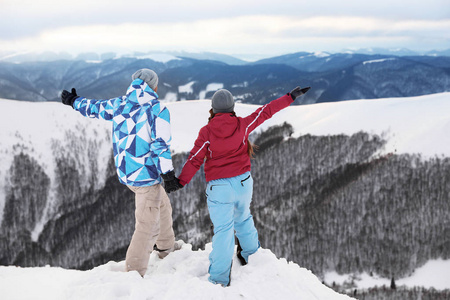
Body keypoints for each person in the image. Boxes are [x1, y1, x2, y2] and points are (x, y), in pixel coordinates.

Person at [171, 86, 310, 286]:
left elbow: (194, 159)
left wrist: (180, 181)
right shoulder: (242, 124)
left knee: (224, 231)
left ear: (213, 109)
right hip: (244, 183)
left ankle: (219, 278)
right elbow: (266, 111)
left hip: (220, 188)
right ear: (232, 107)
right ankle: (251, 256)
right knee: (244, 218)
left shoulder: (207, 132)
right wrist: (290, 97)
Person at [60, 68, 183, 277]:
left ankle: (166, 248)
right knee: (146, 224)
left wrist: (74, 100)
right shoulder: (157, 109)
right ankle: (133, 273)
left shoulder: (121, 103)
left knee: (162, 205)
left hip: (127, 173)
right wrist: (168, 175)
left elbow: (95, 108)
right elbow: (161, 145)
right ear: (154, 85)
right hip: (145, 177)